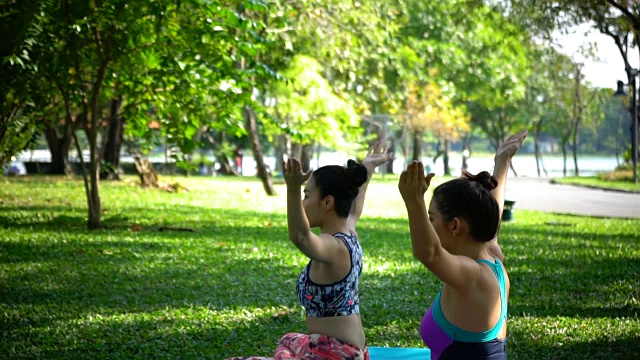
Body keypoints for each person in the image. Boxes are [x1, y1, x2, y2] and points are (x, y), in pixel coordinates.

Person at [227, 142, 392, 360]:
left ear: (328, 202)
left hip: (334, 355)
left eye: (307, 195)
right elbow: (355, 203)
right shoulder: (349, 230)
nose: (303, 202)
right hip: (349, 351)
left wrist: (293, 188)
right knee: (289, 340)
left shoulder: (334, 248)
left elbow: (301, 236)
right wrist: (367, 170)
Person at [398, 130, 527, 360]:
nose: (428, 224)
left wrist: (413, 200)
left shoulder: (473, 275)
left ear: (455, 226)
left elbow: (428, 252)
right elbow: (492, 211)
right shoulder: (491, 253)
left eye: (431, 218)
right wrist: (502, 162)